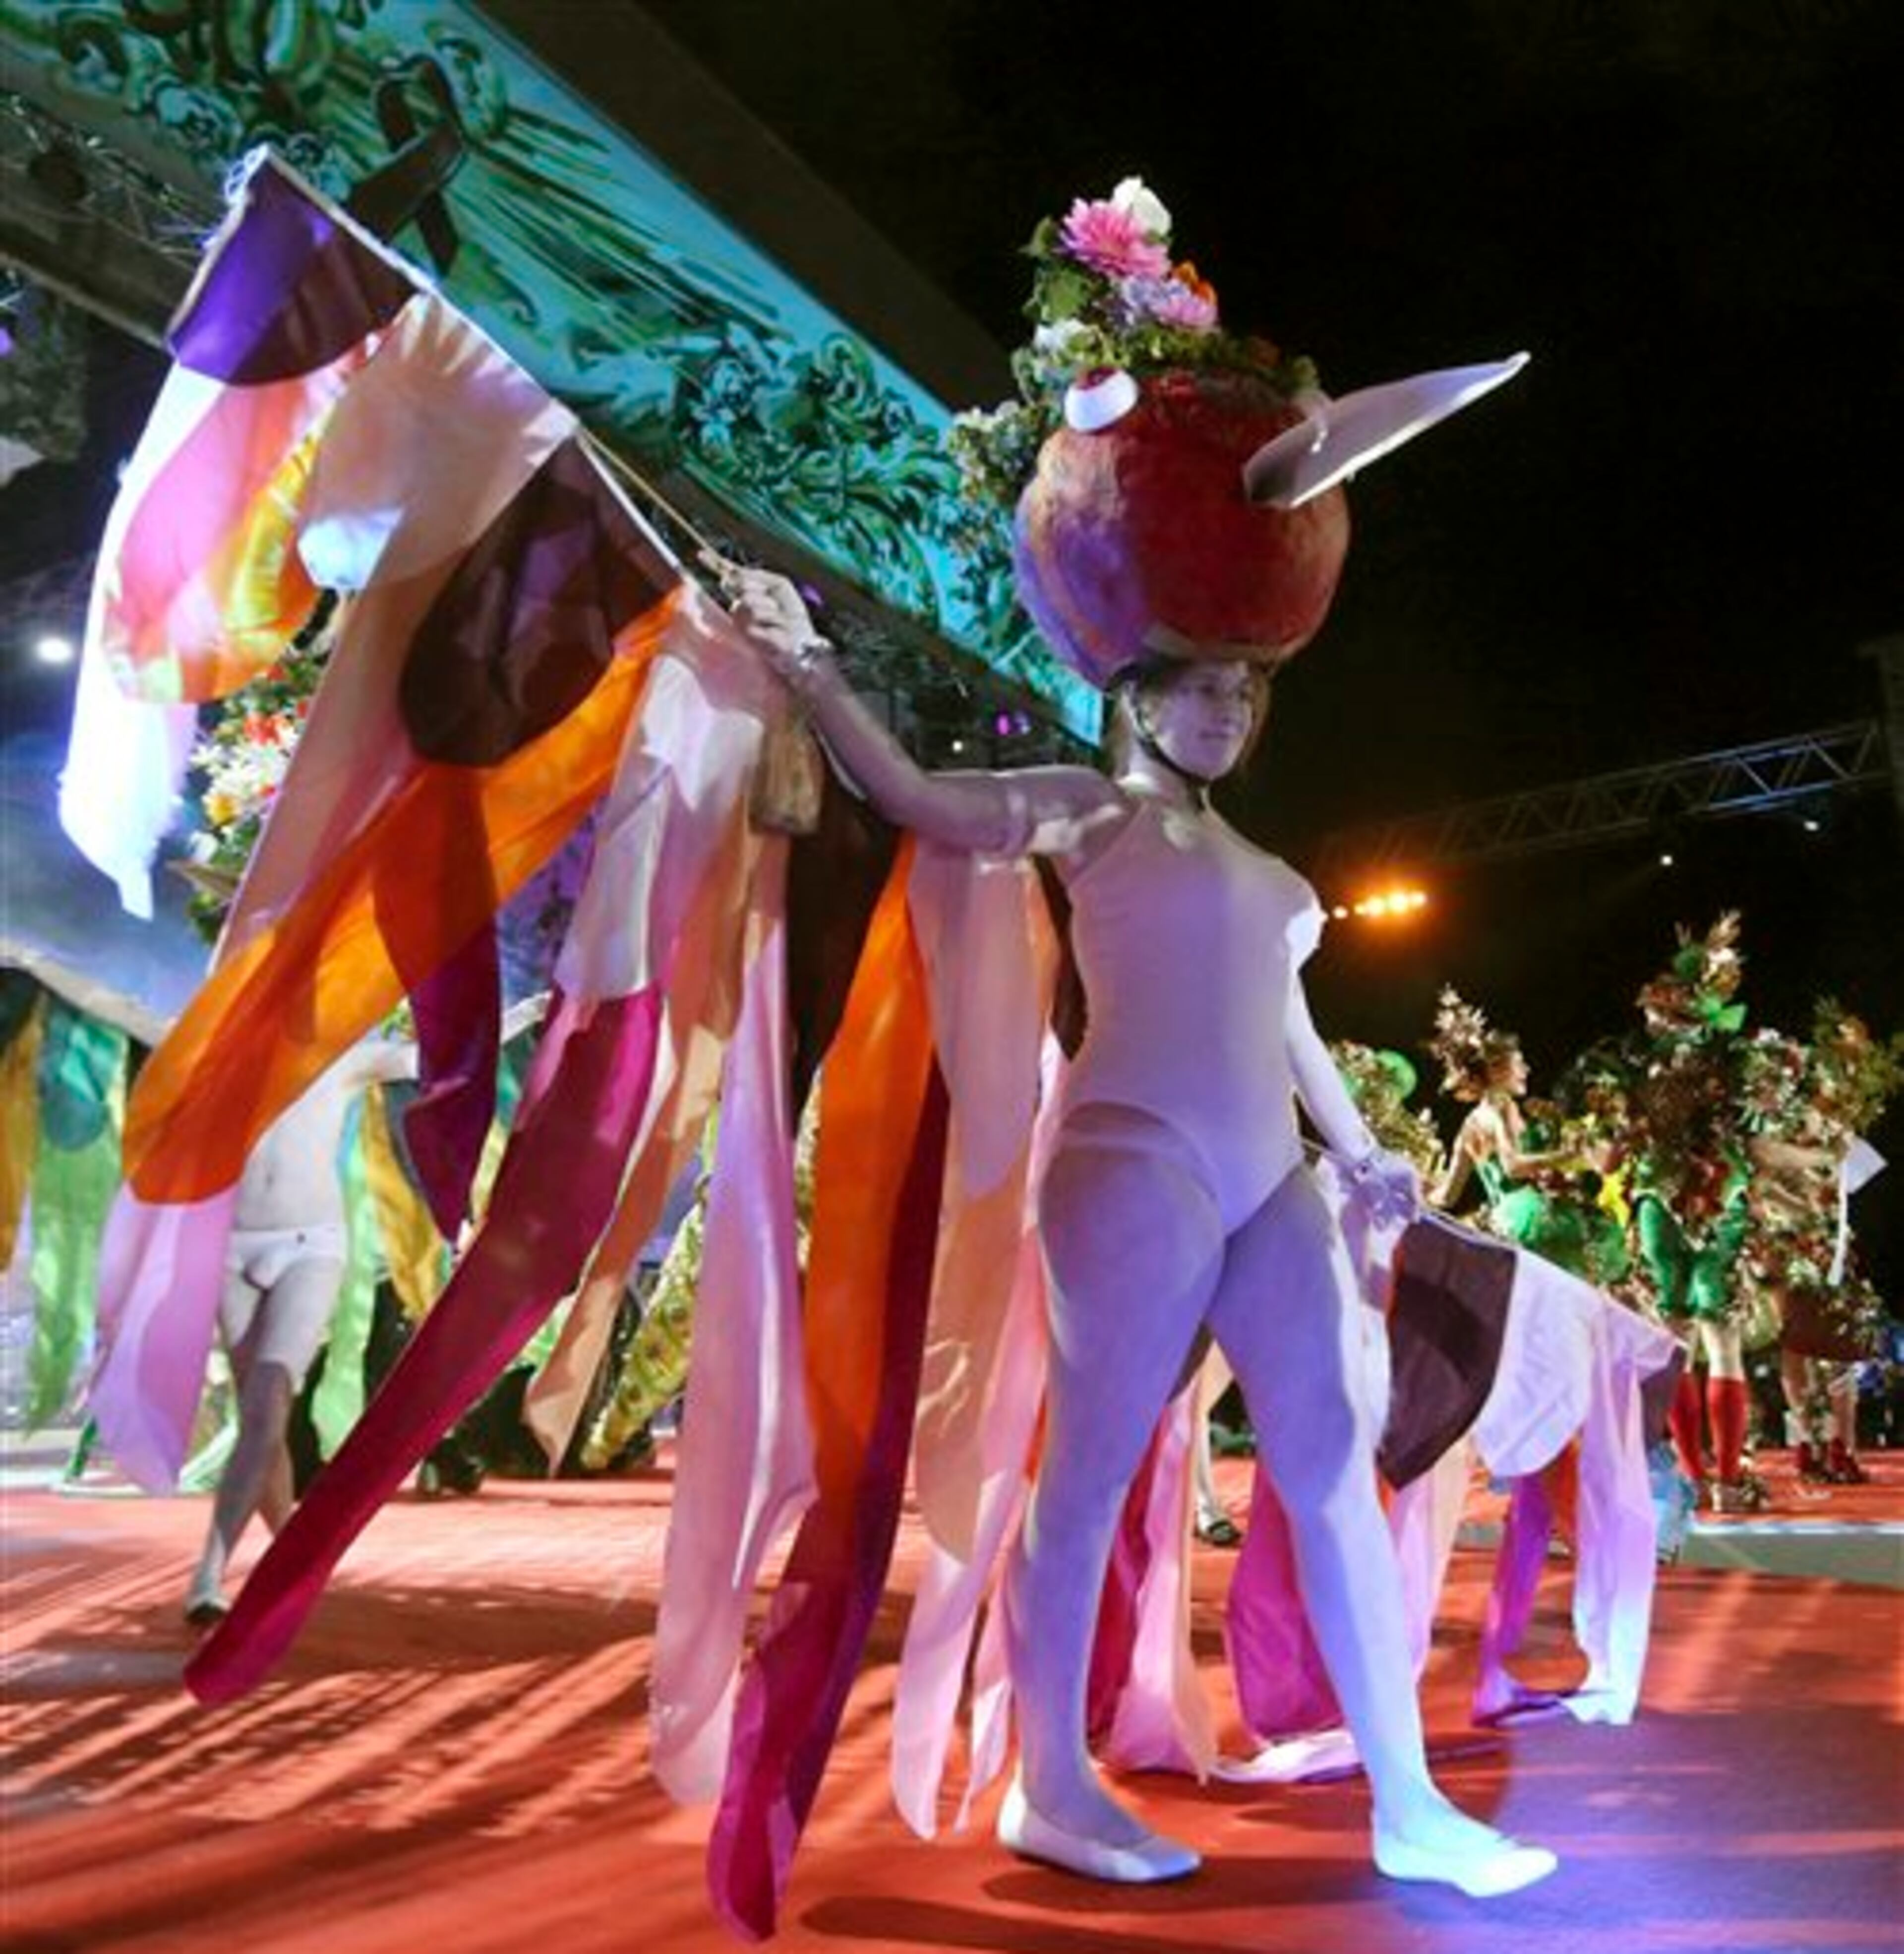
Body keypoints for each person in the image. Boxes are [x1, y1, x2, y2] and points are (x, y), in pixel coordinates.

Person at [718, 558, 1557, 1899]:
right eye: (1203, 685)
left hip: (1267, 1170)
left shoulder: (1275, 877)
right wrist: (806, 660)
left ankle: (1410, 1801)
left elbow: (1285, 1028)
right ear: (1140, 696)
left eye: (1245, 690)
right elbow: (920, 797)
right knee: (1091, 1469)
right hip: (1133, 1153)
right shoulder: (1090, 808)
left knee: (1335, 1465)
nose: (1228, 708)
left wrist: (1361, 1149)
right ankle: (1049, 1785)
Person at [182, 1038, 416, 1623]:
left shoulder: (341, 1055)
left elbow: (438, 1052)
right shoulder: (218, 1046)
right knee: (262, 1420)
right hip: (230, 1250)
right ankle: (293, 1549)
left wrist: (537, 1008)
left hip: (310, 1248)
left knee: (265, 1403)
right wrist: (31, 953)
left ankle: (208, 1574)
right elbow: (119, 1003)